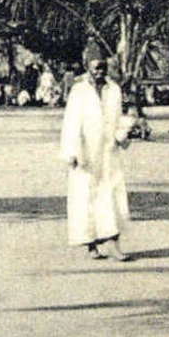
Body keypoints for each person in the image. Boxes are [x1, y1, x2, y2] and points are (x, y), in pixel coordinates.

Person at [59, 53, 133, 261]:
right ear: (87, 68)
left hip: (108, 151)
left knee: (111, 194)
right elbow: (71, 122)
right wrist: (71, 151)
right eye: (95, 68)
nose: (99, 72)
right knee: (86, 197)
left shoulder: (114, 90)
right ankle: (91, 245)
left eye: (102, 68)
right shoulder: (79, 91)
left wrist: (123, 135)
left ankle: (113, 244)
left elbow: (118, 119)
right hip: (85, 152)